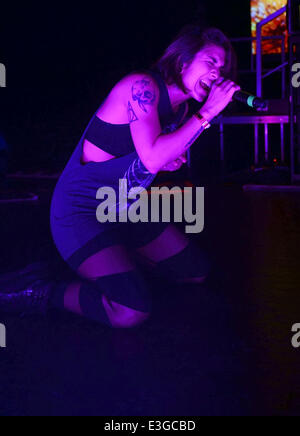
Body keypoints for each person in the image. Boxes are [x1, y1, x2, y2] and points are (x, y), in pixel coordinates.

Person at [0, 25, 240, 328]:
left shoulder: (181, 111)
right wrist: (206, 114)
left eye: (223, 67)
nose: (219, 73)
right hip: (80, 211)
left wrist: (169, 157)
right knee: (130, 310)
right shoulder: (140, 87)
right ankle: (41, 291)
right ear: (183, 62)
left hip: (123, 207)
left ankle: (116, 261)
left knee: (195, 271)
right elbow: (152, 156)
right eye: (211, 62)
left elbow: (149, 159)